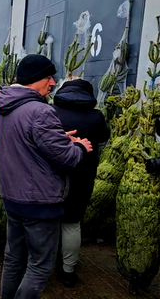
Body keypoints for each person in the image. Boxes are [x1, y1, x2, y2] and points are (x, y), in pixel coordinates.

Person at [0, 54, 93, 299]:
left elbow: (28, 144)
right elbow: (66, 158)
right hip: (39, 202)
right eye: (49, 78)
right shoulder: (40, 111)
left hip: (13, 198)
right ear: (36, 79)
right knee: (40, 266)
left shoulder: (6, 108)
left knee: (14, 259)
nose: (53, 83)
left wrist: (60, 138)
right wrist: (79, 146)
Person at [52, 78, 110, 287]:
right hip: (83, 176)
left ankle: (43, 265)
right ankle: (68, 271)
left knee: (48, 221)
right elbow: (104, 138)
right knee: (72, 223)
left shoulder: (52, 112)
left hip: (54, 174)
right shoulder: (96, 116)